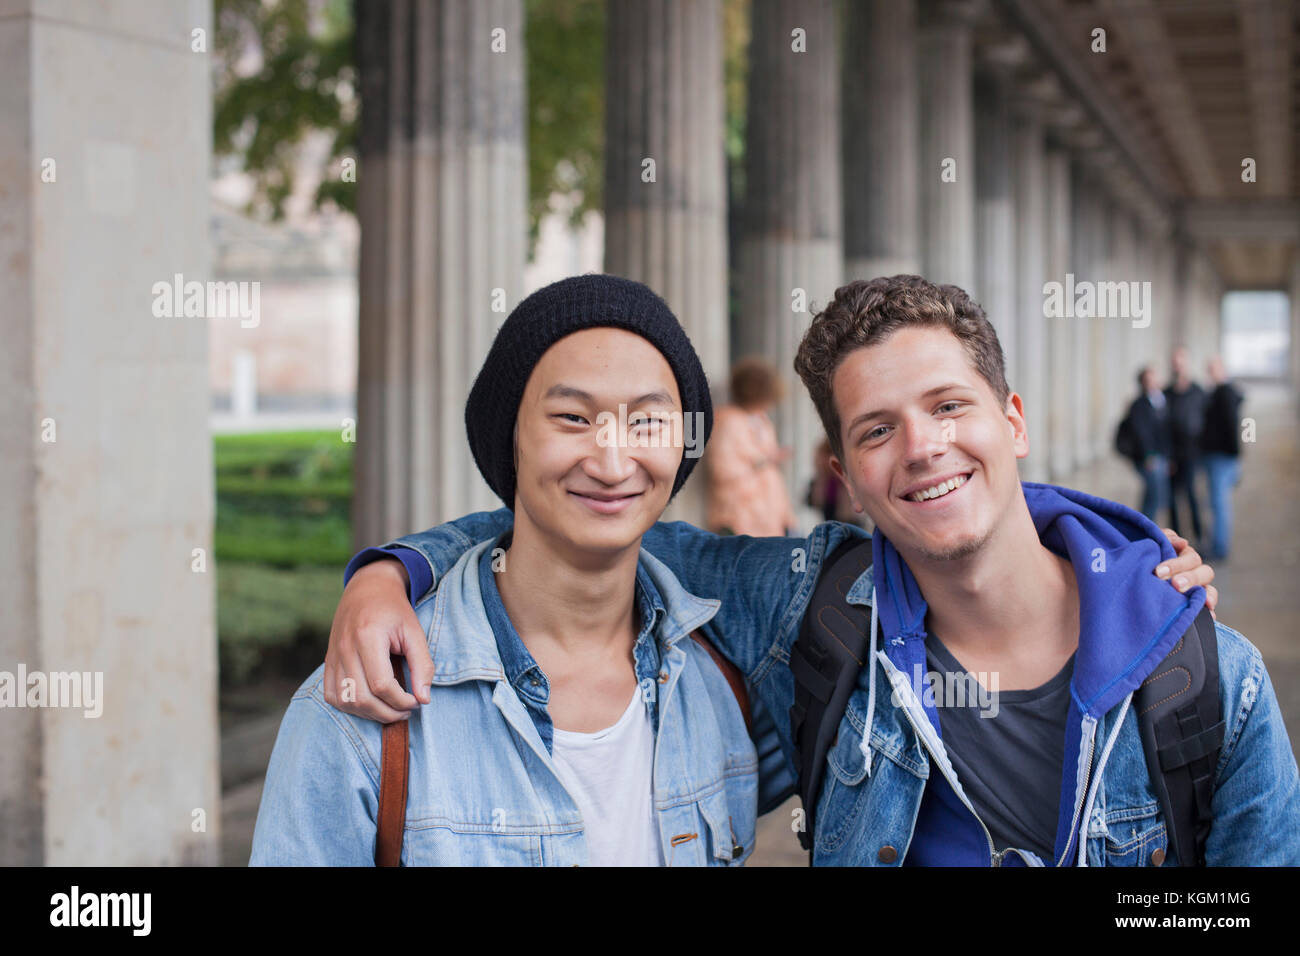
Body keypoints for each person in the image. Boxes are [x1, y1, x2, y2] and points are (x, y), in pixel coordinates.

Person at [328, 277, 1286, 867]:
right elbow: (584, 521)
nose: (922, 448)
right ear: (847, 482)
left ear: (1015, 420)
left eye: (950, 406)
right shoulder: (812, 612)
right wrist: (395, 570)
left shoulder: (1211, 684)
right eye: (878, 429)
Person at [250, 274, 763, 865]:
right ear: (510, 437)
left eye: (647, 421)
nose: (614, 461)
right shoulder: (362, 707)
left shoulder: (723, 679)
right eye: (571, 417)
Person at [705, 357, 797, 535]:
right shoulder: (728, 422)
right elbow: (722, 470)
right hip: (737, 516)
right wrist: (764, 461)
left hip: (768, 513)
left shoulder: (762, 420)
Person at [1200, 356, 1245, 560]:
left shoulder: (1224, 393)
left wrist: (1235, 458)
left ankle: (1219, 547)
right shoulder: (1217, 393)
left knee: (1219, 503)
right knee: (1216, 502)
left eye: (1214, 370)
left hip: (1222, 457)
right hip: (1217, 456)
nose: (1211, 374)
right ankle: (1218, 544)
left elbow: (1231, 427)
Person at [1119, 365, 1173, 522]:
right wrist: (1148, 455)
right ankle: (1145, 526)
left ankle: (1147, 525)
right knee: (1153, 496)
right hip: (1149, 457)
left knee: (1156, 495)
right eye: (1148, 380)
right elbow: (1141, 433)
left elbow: (1165, 432)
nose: (1152, 383)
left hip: (1162, 455)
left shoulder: (1161, 401)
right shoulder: (1139, 404)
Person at [1166, 346, 1207, 543]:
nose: (1178, 365)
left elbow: (1208, 422)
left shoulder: (1198, 392)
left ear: (1187, 362)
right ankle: (1176, 539)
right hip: (1172, 454)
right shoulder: (1166, 394)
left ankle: (1199, 535)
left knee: (1191, 495)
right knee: (1171, 498)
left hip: (1192, 453)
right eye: (1175, 361)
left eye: (1181, 360)